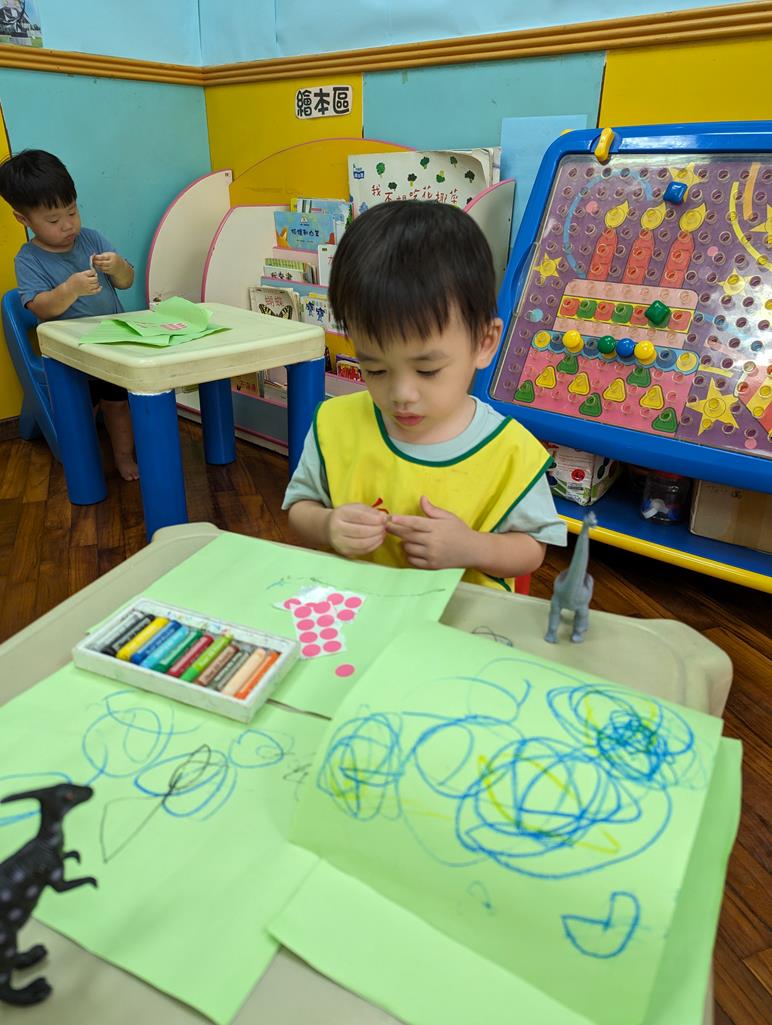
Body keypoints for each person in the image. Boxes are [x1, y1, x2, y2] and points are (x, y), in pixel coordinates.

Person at [283, 200, 566, 590]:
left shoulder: (511, 452)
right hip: (360, 608)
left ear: (484, 343)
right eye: (375, 369)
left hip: (457, 618)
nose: (401, 394)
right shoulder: (335, 423)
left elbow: (532, 549)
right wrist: (328, 524)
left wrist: (471, 548)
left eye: (428, 370)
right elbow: (300, 508)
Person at [0, 149, 138, 480]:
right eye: (53, 220)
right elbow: (40, 307)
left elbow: (126, 281)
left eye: (72, 211)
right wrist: (70, 289)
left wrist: (119, 267)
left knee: (119, 406)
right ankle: (85, 464)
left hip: (111, 347)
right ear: (23, 219)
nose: (68, 225)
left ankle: (123, 457)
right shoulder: (29, 259)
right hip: (69, 357)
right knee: (79, 412)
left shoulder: (92, 239)